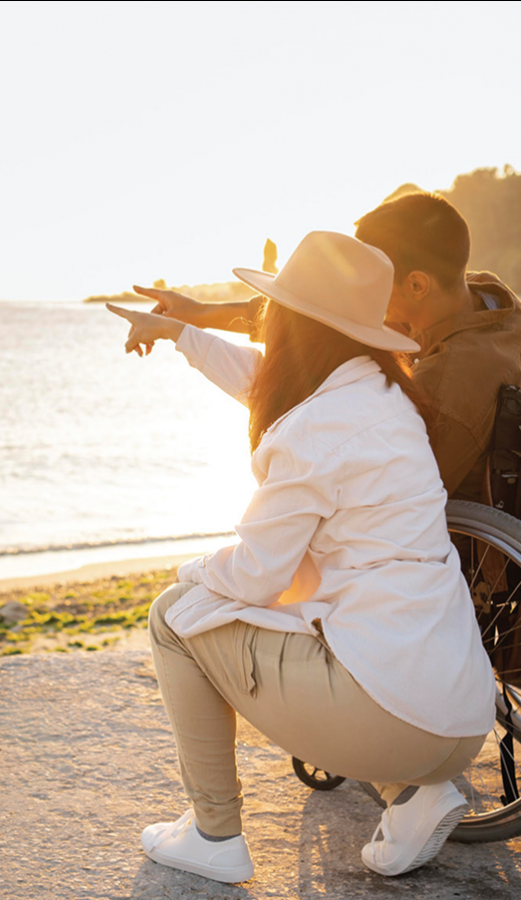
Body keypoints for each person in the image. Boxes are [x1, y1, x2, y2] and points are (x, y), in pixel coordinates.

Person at [107, 231, 495, 883]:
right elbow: (268, 382)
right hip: (458, 718)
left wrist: (192, 576)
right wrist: (182, 335)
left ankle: (213, 833)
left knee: (174, 617)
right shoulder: (384, 395)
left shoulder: (317, 427)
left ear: (291, 320)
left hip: (398, 715)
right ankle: (415, 793)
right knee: (322, 619)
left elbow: (257, 575)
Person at [133, 192, 521, 505]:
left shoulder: (449, 382)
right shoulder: (482, 299)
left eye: (371, 277)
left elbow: (394, 497)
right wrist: (198, 315)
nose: (357, 290)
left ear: (417, 285)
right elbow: (314, 321)